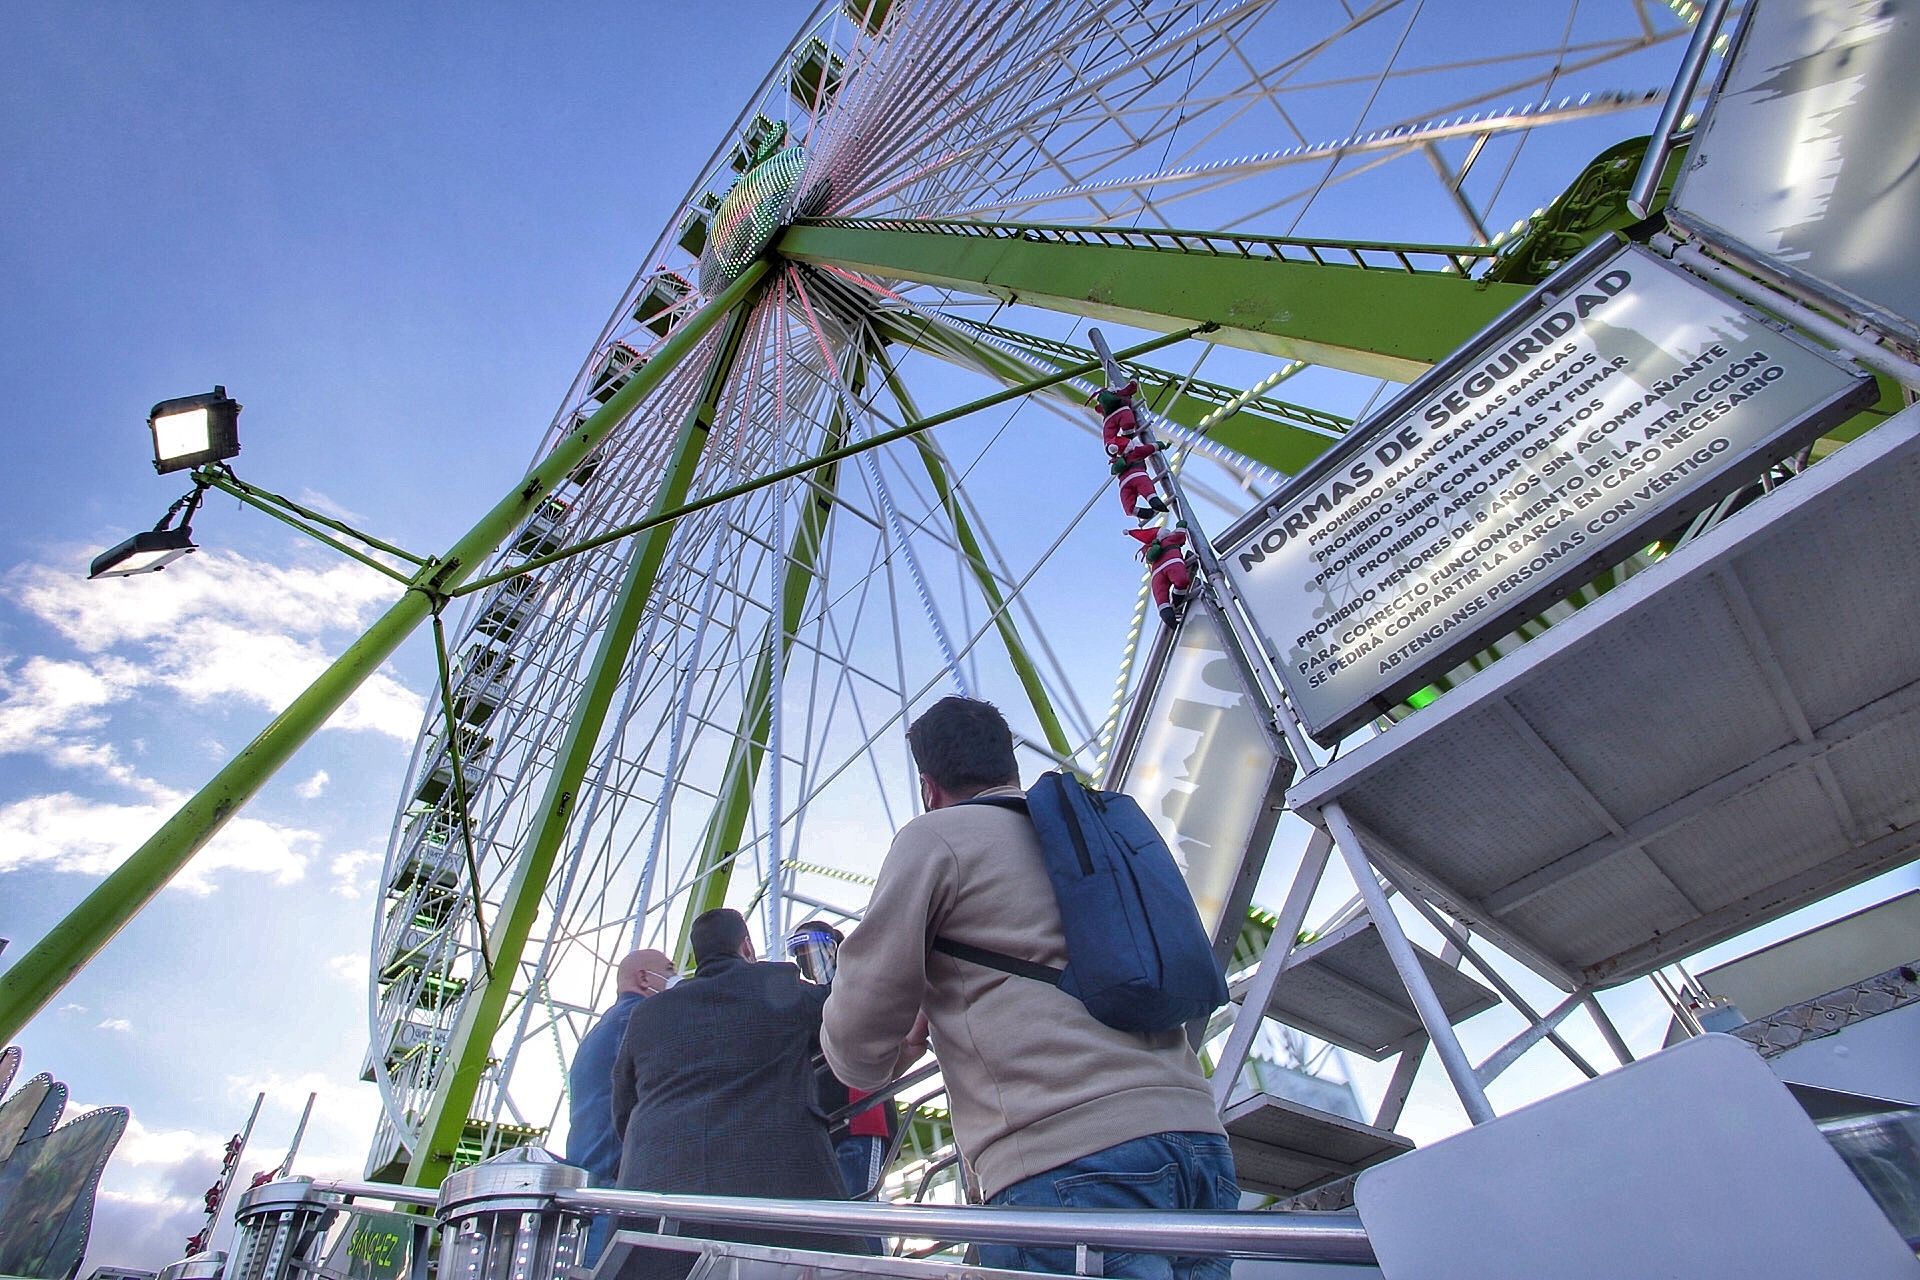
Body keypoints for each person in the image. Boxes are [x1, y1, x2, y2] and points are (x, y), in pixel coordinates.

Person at [821, 696, 1238, 1280]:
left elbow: (857, 1044)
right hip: (1198, 1148)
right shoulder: (1093, 827)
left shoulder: (936, 839)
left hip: (1065, 1160)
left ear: (928, 787)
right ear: (1008, 764)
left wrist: (900, 1040)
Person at [612, 908, 864, 1280]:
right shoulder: (778, 984)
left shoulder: (648, 1014)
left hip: (655, 1212)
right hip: (777, 1206)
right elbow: (847, 1010)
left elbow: (623, 1110)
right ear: (746, 947)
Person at [566, 948, 674, 1265]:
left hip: (592, 1183)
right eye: (669, 970)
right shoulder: (640, 1021)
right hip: (619, 1189)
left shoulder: (602, 1030)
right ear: (644, 978)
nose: (675, 978)